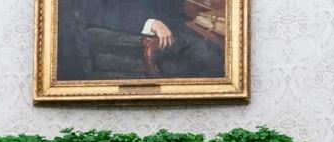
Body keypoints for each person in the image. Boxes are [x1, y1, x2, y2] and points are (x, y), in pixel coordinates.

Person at [58, 0, 224, 80]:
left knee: (217, 50)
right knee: (211, 57)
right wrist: (151, 22)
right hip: (138, 35)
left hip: (177, 27)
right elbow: (98, 13)